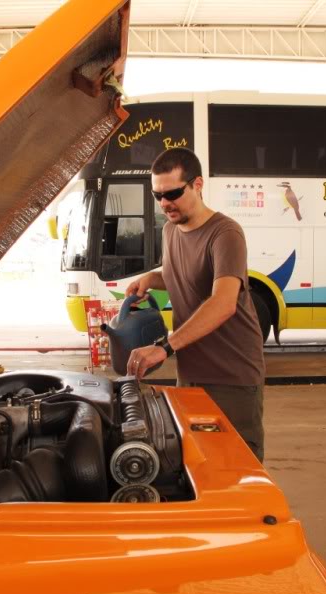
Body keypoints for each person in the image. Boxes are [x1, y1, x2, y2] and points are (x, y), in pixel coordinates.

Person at [125, 147, 266, 462]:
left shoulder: (225, 234)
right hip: (190, 373)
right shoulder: (170, 230)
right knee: (197, 464)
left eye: (173, 193)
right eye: (157, 195)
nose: (165, 203)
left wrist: (165, 347)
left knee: (237, 467)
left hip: (231, 375)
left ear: (198, 184)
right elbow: (181, 274)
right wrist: (151, 278)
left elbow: (224, 302)